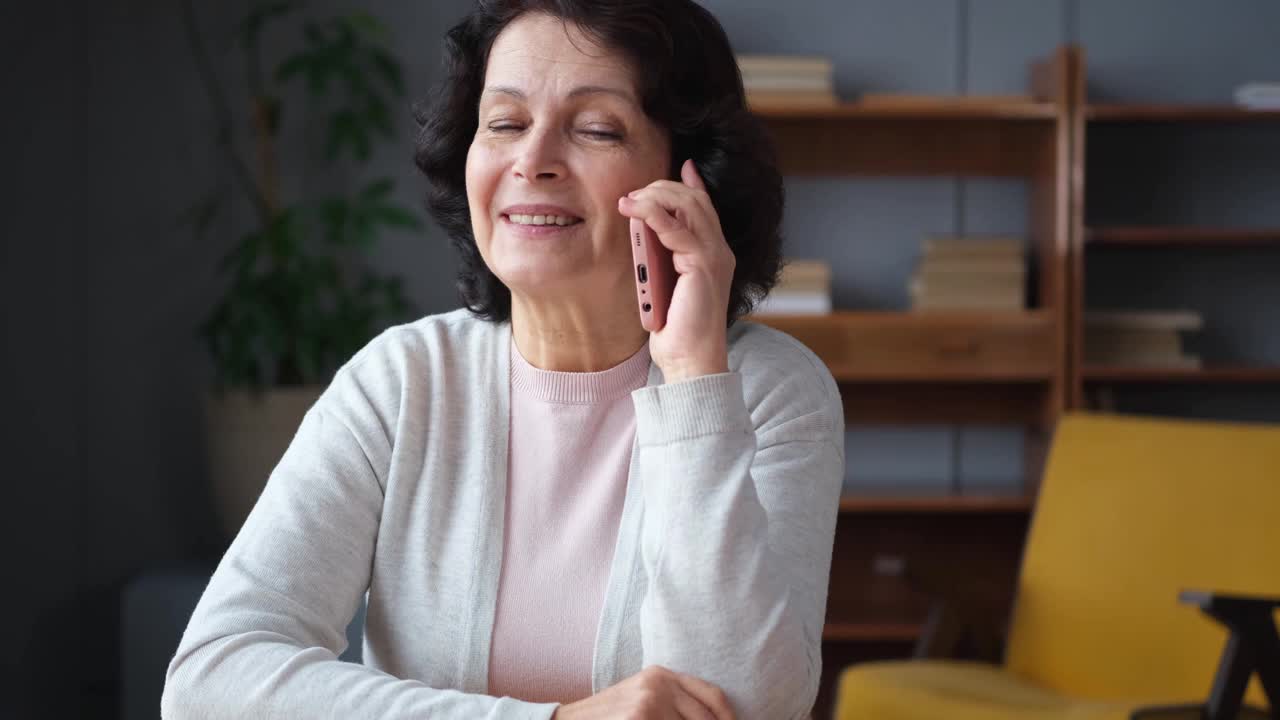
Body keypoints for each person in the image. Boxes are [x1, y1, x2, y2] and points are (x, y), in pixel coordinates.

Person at [162, 1, 844, 718]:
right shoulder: (400, 383)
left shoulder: (770, 391)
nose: (533, 161)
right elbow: (210, 678)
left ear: (690, 178)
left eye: (596, 129)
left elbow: (747, 706)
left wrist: (696, 379)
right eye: (506, 123)